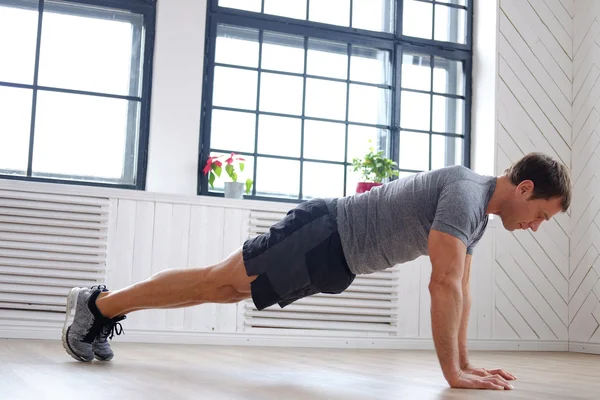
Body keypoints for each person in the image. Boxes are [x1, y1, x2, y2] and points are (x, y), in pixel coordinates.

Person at [62, 152, 571, 391]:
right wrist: (453, 374)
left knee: (222, 291)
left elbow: (460, 290)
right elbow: (443, 283)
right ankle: (96, 305)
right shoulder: (465, 195)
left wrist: (468, 363)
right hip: (324, 234)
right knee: (214, 282)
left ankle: (101, 307)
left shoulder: (477, 215)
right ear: (524, 188)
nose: (536, 226)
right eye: (542, 215)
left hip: (333, 257)